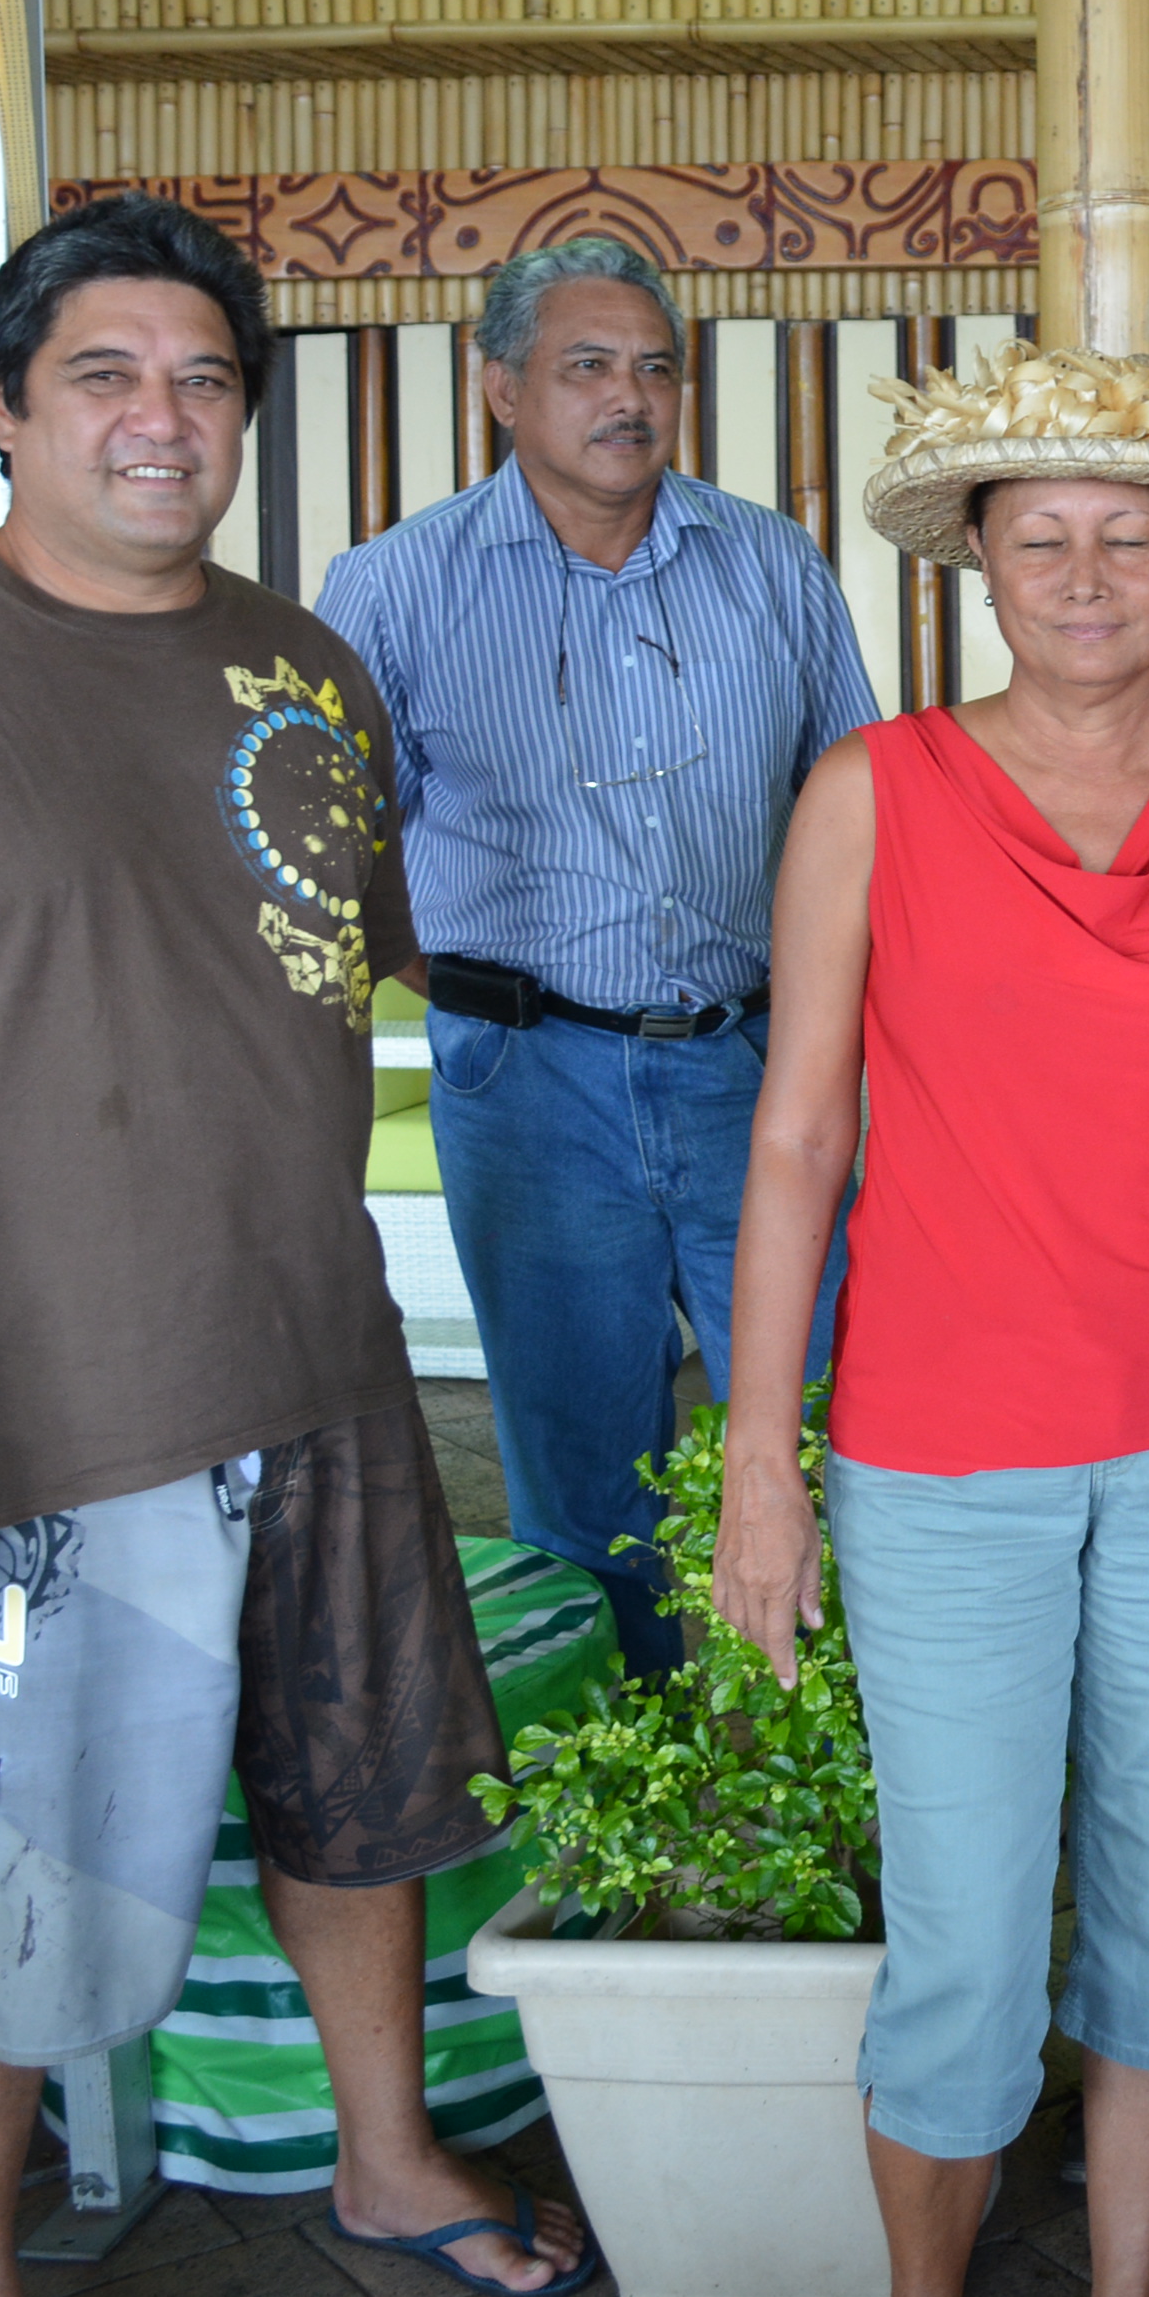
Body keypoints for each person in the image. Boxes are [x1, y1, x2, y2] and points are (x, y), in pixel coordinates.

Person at [0, 192, 595, 2297]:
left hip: (326, 1376)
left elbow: (285, 998)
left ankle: (382, 2163)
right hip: (34, 1424)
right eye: (103, 374)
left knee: (361, 1809)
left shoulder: (305, 666)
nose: (160, 418)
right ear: (7, 408)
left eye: (203, 378)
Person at [710, 337, 1149, 2297]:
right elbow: (801, 1136)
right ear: (977, 561)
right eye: (1042, 537)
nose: (1087, 574)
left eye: (1130, 539)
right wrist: (763, 1468)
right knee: (965, 1930)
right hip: (940, 1455)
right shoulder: (873, 792)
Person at [317, 234, 879, 1678]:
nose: (629, 397)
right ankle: (631, 1826)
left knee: (835, 1434)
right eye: (587, 366)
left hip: (759, 1073)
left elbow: (857, 814)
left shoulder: (770, 560)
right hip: (529, 1083)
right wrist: (434, 975)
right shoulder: (394, 586)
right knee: (583, 1488)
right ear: (500, 384)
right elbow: (325, 841)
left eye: (655, 367)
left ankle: (829, 1806)